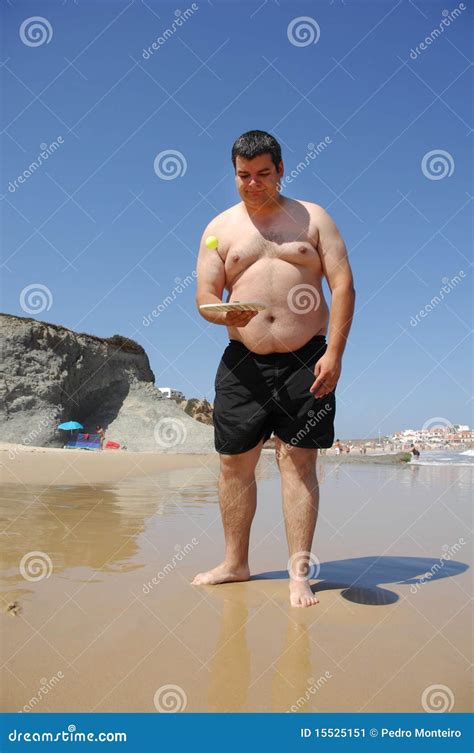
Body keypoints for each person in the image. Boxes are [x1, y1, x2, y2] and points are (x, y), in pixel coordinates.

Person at [193, 130, 355, 608]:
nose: (253, 183)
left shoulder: (313, 218)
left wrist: (336, 353)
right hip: (243, 363)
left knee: (299, 462)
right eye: (243, 176)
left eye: (263, 174)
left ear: (281, 170)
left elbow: (343, 286)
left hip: (308, 358)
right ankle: (235, 563)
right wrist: (221, 313)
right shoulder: (220, 228)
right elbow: (205, 296)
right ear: (234, 174)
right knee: (233, 465)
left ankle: (299, 575)